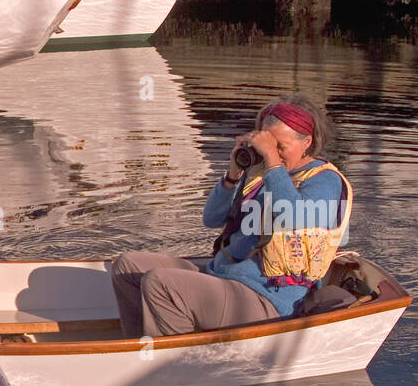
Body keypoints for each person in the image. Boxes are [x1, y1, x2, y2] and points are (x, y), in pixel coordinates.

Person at [110, 94, 353, 338]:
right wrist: (233, 175)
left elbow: (293, 219)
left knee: (161, 284)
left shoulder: (324, 180)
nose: (275, 154)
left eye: (281, 147)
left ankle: (179, 363)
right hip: (226, 274)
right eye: (269, 146)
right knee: (127, 266)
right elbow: (212, 219)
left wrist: (271, 161)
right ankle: (140, 350)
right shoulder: (260, 174)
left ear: (306, 142)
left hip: (268, 297)